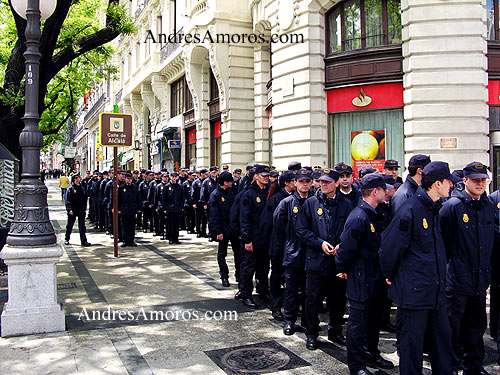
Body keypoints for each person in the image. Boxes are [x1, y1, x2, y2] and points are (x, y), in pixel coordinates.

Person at [379, 161, 458, 375]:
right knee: (411, 348)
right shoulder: (410, 209)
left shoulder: (435, 208)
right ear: (437, 183)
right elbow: (389, 249)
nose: (452, 185)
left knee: (442, 344)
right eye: (448, 181)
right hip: (414, 295)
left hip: (435, 292)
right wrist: (392, 275)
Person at [336, 174, 394, 375]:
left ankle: (372, 352)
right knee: (357, 324)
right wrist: (343, 269)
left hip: (376, 277)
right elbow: (345, 250)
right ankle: (357, 365)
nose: (387, 192)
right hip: (361, 278)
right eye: (383, 189)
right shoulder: (358, 217)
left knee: (374, 320)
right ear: (375, 191)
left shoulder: (377, 213)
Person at [440, 162, 495, 375]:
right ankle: (451, 366)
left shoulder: (488, 205)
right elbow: (442, 244)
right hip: (457, 279)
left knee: (477, 325)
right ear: (465, 181)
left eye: (483, 180)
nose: (480, 183)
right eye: (475, 180)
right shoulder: (452, 207)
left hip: (480, 279)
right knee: (453, 328)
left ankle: (474, 365)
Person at [295, 168, 353, 350]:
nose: (323, 185)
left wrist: (342, 245)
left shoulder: (347, 204)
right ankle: (312, 333)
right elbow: (301, 230)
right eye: (321, 181)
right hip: (316, 260)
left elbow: (351, 230)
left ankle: (335, 330)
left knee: (337, 300)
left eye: (328, 182)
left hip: (337, 261)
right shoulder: (311, 203)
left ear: (336, 183)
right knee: (312, 299)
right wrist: (319, 243)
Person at [273, 168, 313, 336]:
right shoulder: (286, 202)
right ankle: (289, 320)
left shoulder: (315, 202)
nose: (304, 185)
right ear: (295, 183)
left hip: (310, 253)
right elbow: (278, 226)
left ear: (311, 183)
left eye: (307, 182)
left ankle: (307, 319)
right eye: (301, 181)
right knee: (291, 289)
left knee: (308, 290)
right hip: (293, 253)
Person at [265, 170, 296, 320]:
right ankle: (275, 306)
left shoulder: (296, 198)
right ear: (286, 183)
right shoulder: (277, 199)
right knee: (277, 276)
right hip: (278, 244)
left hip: (292, 245)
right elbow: (268, 224)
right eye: (294, 180)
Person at [239, 164, 271, 308]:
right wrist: (247, 239)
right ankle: (246, 294)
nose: (266, 178)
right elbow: (244, 219)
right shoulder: (249, 194)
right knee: (249, 267)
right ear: (256, 176)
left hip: (265, 238)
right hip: (253, 238)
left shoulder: (269, 191)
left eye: (267, 175)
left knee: (264, 267)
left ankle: (263, 291)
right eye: (263, 175)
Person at [208, 171, 241, 287]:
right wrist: (218, 231)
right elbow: (214, 215)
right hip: (223, 229)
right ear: (225, 182)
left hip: (233, 229)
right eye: (230, 181)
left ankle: (239, 274)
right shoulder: (215, 195)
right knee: (222, 254)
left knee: (238, 253)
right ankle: (224, 276)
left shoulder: (231, 192)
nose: (232, 183)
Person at [64, 173, 91, 246]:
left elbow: (84, 199)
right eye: (78, 177)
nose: (80, 178)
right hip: (73, 209)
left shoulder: (81, 188)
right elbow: (67, 201)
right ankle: (67, 239)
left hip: (81, 210)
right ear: (75, 179)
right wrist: (69, 209)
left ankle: (83, 240)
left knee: (82, 226)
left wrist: (84, 208)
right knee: (70, 225)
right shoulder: (71, 189)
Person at [117, 173, 141, 247]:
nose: (129, 180)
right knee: (124, 226)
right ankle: (125, 240)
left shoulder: (134, 187)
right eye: (128, 179)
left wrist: (139, 208)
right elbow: (118, 199)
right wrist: (118, 209)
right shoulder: (121, 188)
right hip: (124, 209)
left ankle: (131, 240)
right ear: (125, 179)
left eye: (130, 179)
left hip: (132, 209)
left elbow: (138, 198)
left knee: (132, 226)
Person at [162, 172, 184, 244]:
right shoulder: (166, 186)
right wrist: (164, 208)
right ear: (170, 177)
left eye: (175, 176)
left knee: (177, 224)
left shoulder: (180, 186)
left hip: (177, 208)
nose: (174, 178)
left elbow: (182, 198)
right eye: (173, 176)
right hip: (170, 208)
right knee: (170, 224)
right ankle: (170, 238)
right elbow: (164, 198)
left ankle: (176, 238)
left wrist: (181, 207)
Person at [192, 168, 208, 237]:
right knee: (198, 218)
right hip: (198, 203)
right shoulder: (196, 182)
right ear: (201, 174)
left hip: (204, 203)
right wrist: (194, 203)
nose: (206, 175)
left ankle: (203, 231)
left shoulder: (207, 181)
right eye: (205, 173)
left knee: (204, 218)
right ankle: (198, 231)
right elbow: (193, 193)